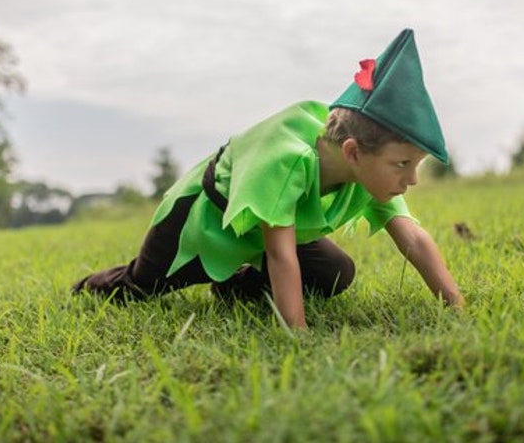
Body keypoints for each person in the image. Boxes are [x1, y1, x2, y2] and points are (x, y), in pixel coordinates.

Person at [72, 29, 464, 329]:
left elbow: (412, 236)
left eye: (416, 164)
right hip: (203, 222)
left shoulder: (371, 172)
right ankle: (87, 287)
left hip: (265, 233)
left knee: (334, 273)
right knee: (144, 286)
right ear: (353, 152)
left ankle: (232, 288)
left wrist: (455, 306)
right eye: (402, 164)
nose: (411, 178)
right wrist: (297, 334)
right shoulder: (287, 160)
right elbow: (280, 255)